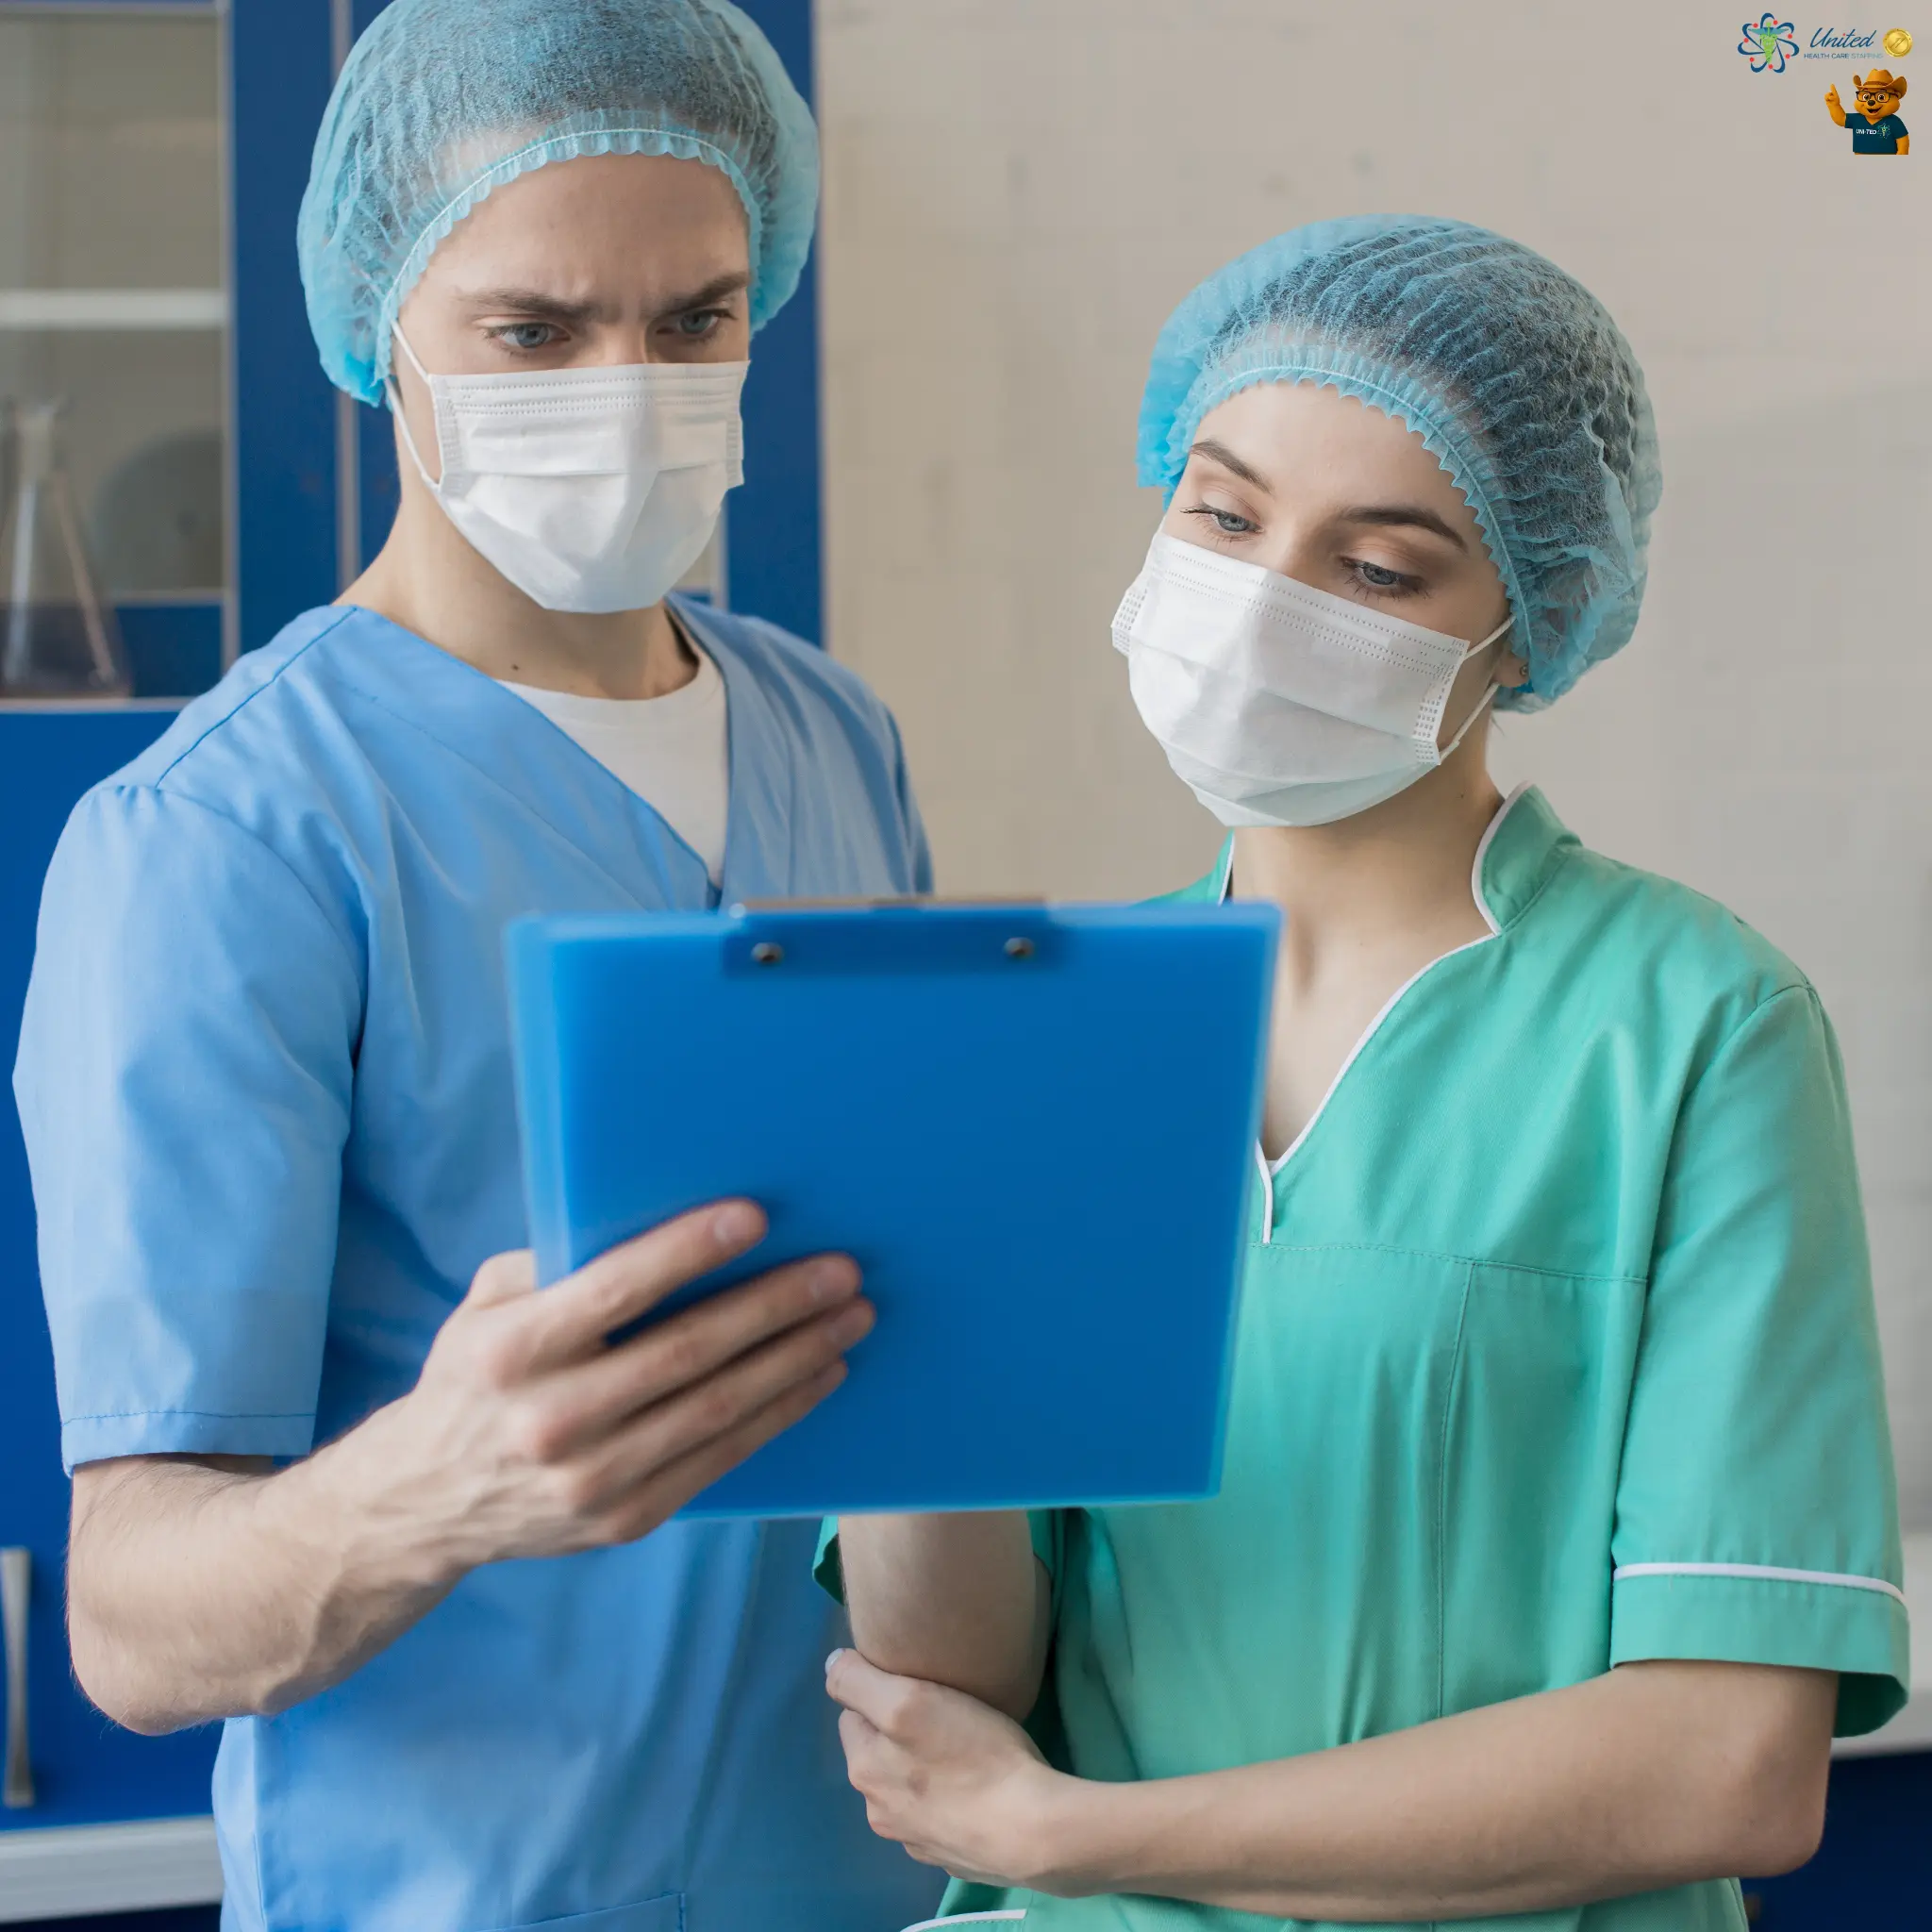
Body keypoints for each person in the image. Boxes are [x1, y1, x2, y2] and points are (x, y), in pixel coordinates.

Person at [819, 215, 1909, 1931]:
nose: (1261, 606)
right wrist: (896, 1295)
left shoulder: (1692, 1028)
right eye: (1224, 514)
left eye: (1379, 571)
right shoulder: (1045, 1030)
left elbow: (1728, 1764)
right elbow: (953, 1690)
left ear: (1528, 625)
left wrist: (1081, 1839)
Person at [13, 3, 941, 1928]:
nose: (627, 383)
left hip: (859, 1875)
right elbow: (132, 1617)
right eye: (534, 332)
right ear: (378, 337)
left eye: (692, 320)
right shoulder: (229, 835)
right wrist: (437, 1482)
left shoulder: (829, 732)